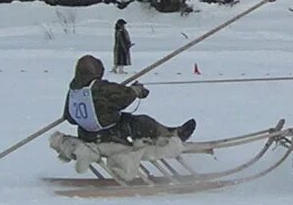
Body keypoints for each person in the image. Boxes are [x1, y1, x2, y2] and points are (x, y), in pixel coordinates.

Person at [63, 54, 195, 144]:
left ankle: (168, 132)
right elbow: (124, 96)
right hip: (107, 134)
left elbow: (69, 118)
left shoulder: (73, 90)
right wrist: (137, 90)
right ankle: (172, 135)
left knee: (123, 117)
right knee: (142, 122)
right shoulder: (100, 88)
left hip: (86, 135)